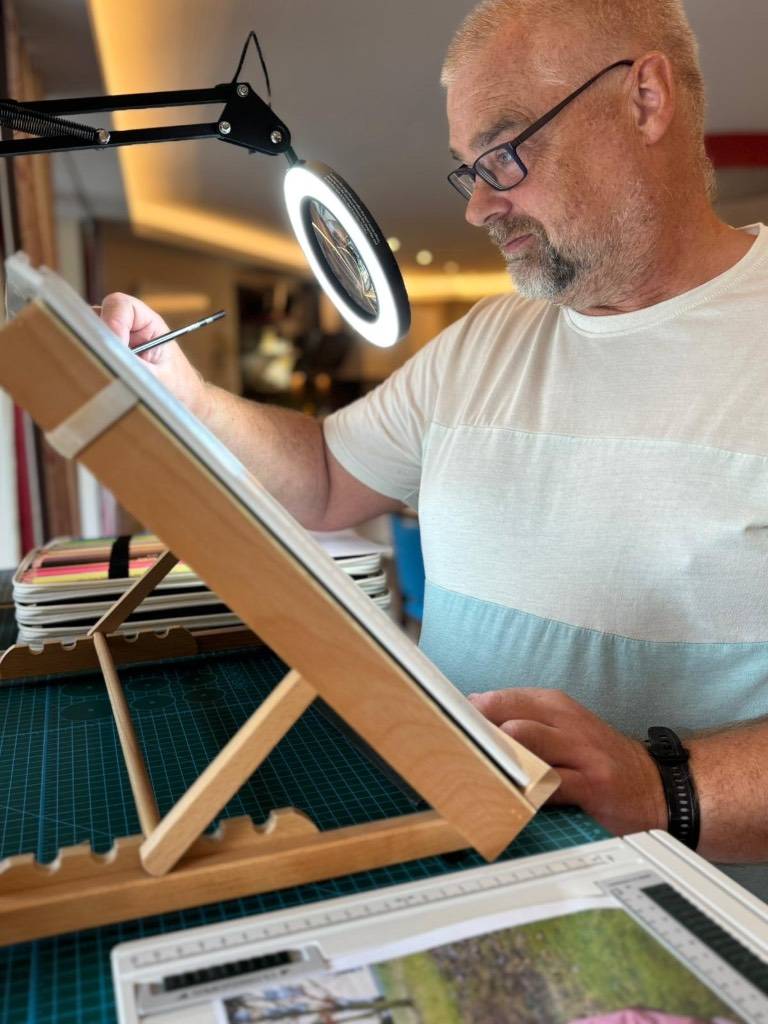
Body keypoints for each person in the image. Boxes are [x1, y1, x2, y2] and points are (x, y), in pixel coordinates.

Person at [101, 0, 768, 898]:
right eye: (469, 171)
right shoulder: (485, 342)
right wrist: (182, 387)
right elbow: (326, 478)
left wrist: (663, 788)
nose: (481, 206)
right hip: (457, 876)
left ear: (644, 99)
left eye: (505, 153)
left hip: (698, 920)